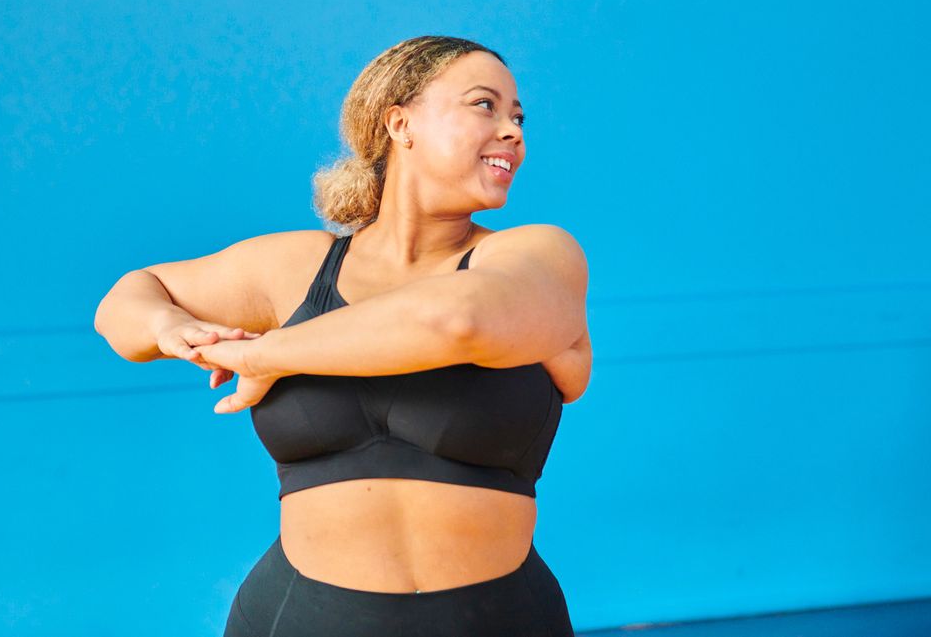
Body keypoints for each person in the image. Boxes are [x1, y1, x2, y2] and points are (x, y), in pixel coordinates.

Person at [94, 35, 592, 636]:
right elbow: (128, 300)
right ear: (399, 122)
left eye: (518, 117)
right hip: (296, 617)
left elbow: (458, 321)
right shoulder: (298, 267)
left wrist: (265, 353)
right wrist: (168, 325)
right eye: (485, 105)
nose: (513, 130)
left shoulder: (537, 256)